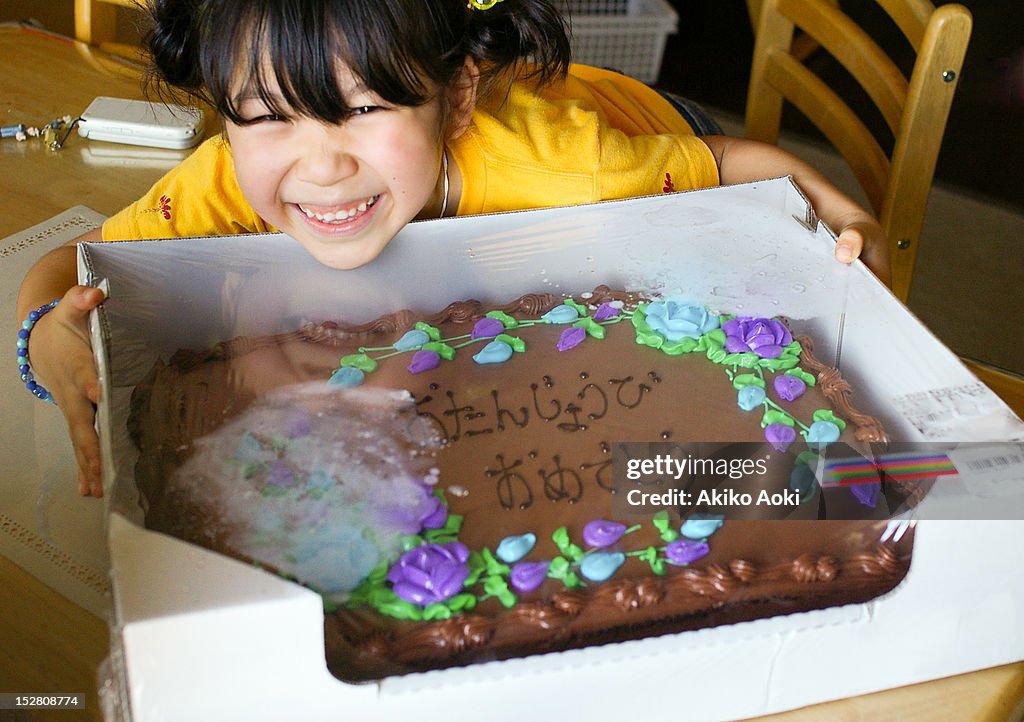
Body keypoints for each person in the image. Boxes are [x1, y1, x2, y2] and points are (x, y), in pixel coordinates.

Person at [16, 0, 888, 498]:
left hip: (650, 137)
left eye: (364, 108)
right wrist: (44, 335)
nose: (321, 164)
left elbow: (732, 161)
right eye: (268, 115)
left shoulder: (576, 176)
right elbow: (71, 268)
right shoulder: (218, 181)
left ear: (457, 98)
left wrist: (825, 203)